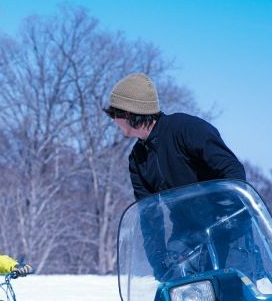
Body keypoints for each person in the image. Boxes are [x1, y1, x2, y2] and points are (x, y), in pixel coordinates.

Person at [104, 73, 248, 278]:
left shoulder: (187, 129)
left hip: (228, 229)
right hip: (186, 234)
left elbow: (232, 170)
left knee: (231, 297)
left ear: (131, 113)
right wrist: (158, 259)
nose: (113, 119)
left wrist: (227, 215)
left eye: (115, 113)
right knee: (175, 296)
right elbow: (149, 214)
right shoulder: (138, 159)